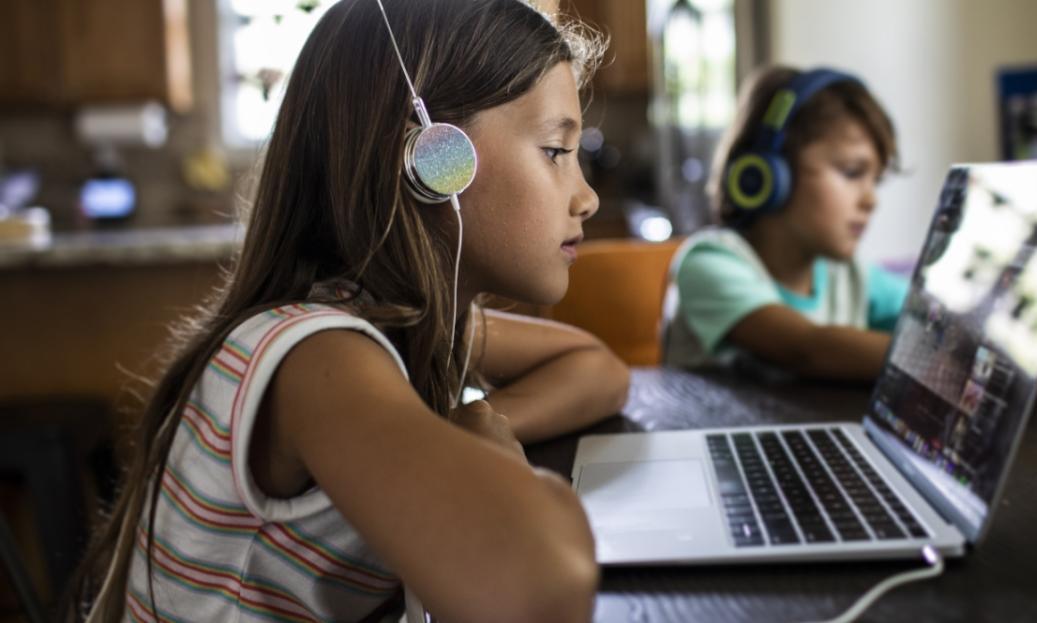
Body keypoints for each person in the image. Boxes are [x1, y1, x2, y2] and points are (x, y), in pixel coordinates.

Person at [70, 1, 627, 621]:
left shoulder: (404, 321)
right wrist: (487, 461)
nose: (587, 196)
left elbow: (595, 368)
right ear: (435, 160)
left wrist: (453, 436)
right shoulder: (319, 356)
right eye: (555, 150)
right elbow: (538, 585)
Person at [662, 65, 1037, 391]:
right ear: (766, 175)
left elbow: (948, 320)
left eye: (876, 180)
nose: (871, 199)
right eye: (852, 173)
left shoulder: (851, 278)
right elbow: (806, 348)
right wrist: (978, 360)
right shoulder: (711, 262)